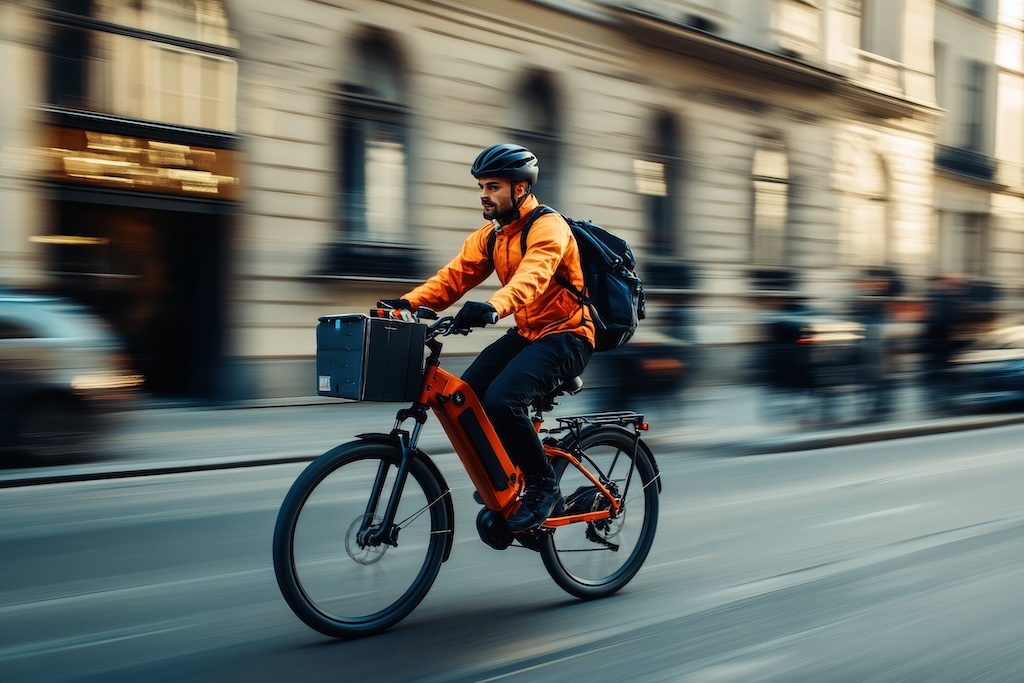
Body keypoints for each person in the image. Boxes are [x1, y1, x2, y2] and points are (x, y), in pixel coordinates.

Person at [378, 144, 595, 531]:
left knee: (503, 399)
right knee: (467, 394)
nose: (483, 194)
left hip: (568, 334)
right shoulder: (492, 236)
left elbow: (535, 276)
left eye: (493, 186)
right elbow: (453, 278)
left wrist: (494, 306)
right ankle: (507, 475)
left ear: (521, 189)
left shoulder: (548, 227)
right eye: (481, 186)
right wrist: (408, 303)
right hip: (529, 331)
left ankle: (543, 486)